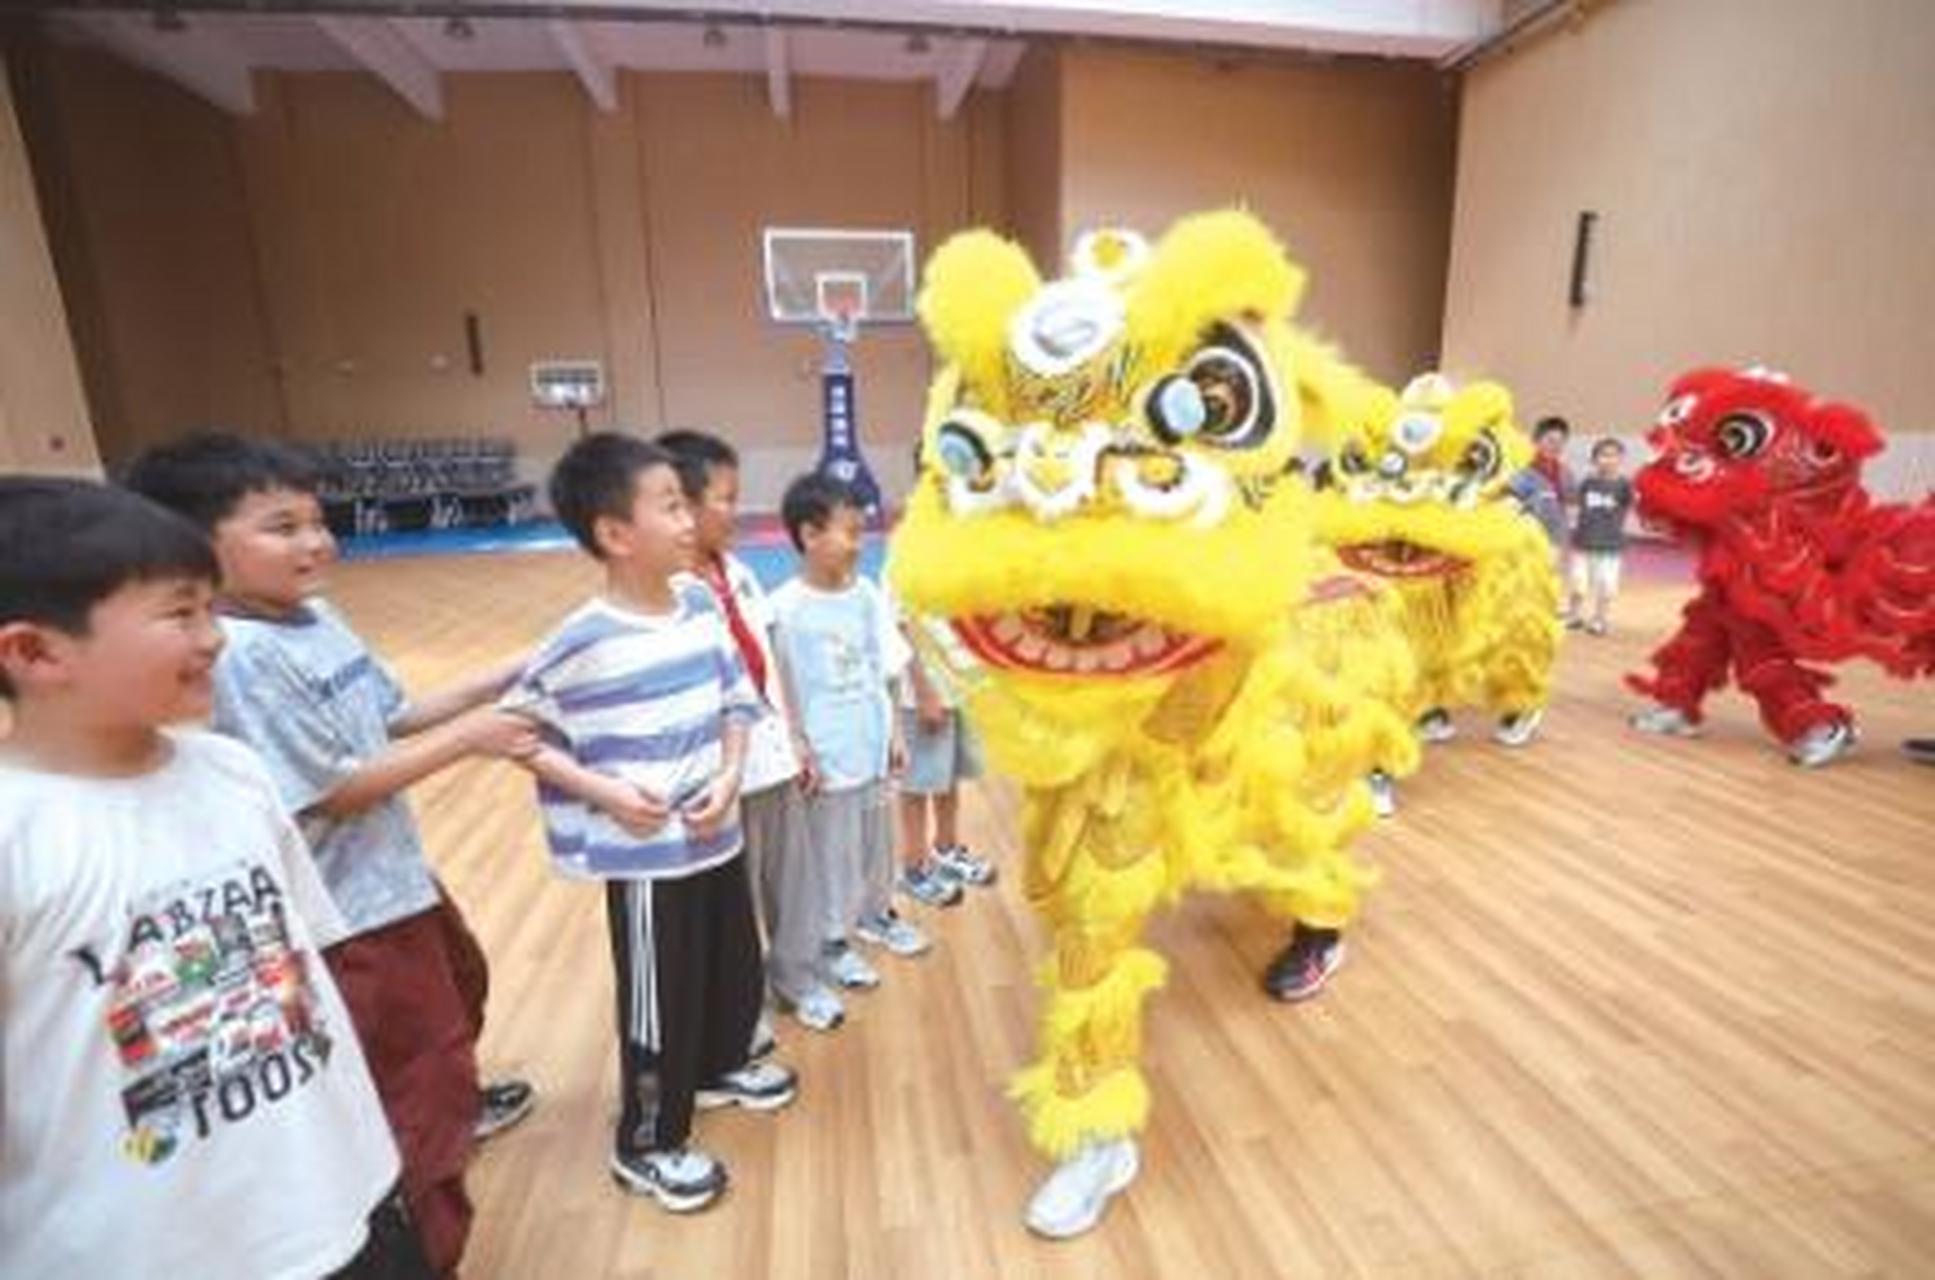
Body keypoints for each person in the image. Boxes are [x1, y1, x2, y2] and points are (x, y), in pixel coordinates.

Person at [126, 433, 537, 1276]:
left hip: (396, 883)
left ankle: (441, 1113)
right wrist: (473, 738)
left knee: (461, 991)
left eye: (318, 521)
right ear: (199, 548)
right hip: (347, 916)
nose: (315, 542)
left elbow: (390, 716)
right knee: (415, 1075)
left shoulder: (315, 618)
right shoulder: (245, 656)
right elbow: (334, 789)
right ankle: (418, 1231)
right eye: (282, 527)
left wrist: (509, 672)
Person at [0, 478, 421, 1278]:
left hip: (343, 1205)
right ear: (35, 651)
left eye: (211, 608)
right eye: (180, 612)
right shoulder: (16, 832)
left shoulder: (232, 772)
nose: (215, 637)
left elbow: (303, 972)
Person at [503, 432, 797, 1213]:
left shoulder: (700, 602)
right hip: (646, 858)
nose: (689, 517)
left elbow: (738, 698)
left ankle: (720, 1064)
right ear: (614, 534)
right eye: (670, 505)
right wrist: (599, 791)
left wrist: (733, 773)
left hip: (715, 835)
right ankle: (647, 1140)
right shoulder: (582, 639)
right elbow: (516, 733)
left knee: (732, 962)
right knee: (657, 994)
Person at [657, 429, 846, 1034]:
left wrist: (796, 736)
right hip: (720, 776)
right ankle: (742, 1004)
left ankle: (798, 979)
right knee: (731, 902)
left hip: (773, 756)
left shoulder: (735, 570)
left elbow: (771, 657)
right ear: (681, 505)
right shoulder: (668, 592)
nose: (736, 512)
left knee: (795, 884)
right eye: (727, 499)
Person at [769, 473, 922, 995]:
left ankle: (877, 912)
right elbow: (783, 684)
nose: (861, 545)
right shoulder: (785, 608)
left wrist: (896, 734)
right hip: (828, 754)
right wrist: (801, 746)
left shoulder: (865, 594)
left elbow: (888, 663)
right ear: (810, 535)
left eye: (864, 533)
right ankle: (833, 938)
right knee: (831, 850)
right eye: (851, 533)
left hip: (873, 741)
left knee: (877, 843)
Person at [1567, 437, 1635, 635]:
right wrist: (1573, 526)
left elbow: (1635, 503)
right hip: (1584, 542)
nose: (1608, 459)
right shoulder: (1588, 482)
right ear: (1594, 459)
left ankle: (1600, 619)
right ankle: (1574, 615)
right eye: (1603, 455)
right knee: (1578, 582)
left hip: (1610, 545)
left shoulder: (1624, 485)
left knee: (1606, 585)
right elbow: (1576, 506)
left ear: (1621, 459)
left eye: (1613, 455)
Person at [1509, 416, 1574, 569]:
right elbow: (1510, 502)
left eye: (1560, 442)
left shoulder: (1566, 473)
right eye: (1550, 441)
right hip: (1526, 539)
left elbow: (1571, 501)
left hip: (1555, 537)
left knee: (1550, 578)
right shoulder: (1521, 470)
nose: (1555, 446)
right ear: (1536, 441)